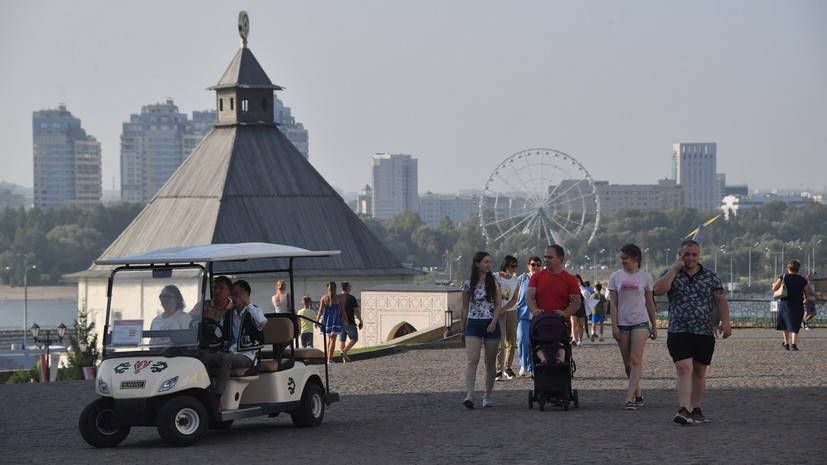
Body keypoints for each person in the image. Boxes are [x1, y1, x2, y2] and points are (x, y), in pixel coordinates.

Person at [653, 239, 731, 425]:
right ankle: (683, 409)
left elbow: (720, 300)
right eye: (686, 254)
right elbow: (657, 290)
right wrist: (674, 269)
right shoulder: (671, 274)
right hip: (679, 330)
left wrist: (726, 322)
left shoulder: (710, 276)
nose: (691, 258)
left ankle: (696, 409)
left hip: (704, 331)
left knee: (699, 371)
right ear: (680, 255)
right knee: (684, 368)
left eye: (694, 254)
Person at [608, 244, 657, 410]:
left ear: (635, 258)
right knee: (628, 364)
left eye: (625, 258)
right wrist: (614, 326)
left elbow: (650, 303)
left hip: (640, 322)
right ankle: (637, 393)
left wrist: (654, 326)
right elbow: (613, 304)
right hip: (622, 323)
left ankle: (629, 398)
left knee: (636, 359)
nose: (623, 261)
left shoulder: (646, 277)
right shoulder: (615, 277)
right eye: (621, 258)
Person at [200, 280, 267, 402]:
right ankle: (202, 392)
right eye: (232, 294)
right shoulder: (229, 315)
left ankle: (217, 397)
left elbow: (262, 322)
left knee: (226, 359)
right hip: (229, 353)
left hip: (248, 356)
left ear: (245, 294)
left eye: (236, 294)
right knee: (201, 358)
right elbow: (217, 336)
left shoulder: (255, 311)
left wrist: (248, 304)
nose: (232, 298)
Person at [460, 251, 503, 409]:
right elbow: (464, 308)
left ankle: (487, 395)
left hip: (491, 324)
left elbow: (498, 304)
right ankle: (470, 394)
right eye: (486, 262)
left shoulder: (496, 282)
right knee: (472, 359)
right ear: (477, 264)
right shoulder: (468, 284)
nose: (489, 265)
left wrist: (493, 321)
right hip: (474, 324)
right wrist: (462, 329)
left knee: (490, 362)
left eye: (490, 262)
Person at [526, 245, 581, 326]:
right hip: (540, 322)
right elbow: (529, 297)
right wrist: (534, 310)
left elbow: (576, 302)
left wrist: (565, 313)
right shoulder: (536, 277)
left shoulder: (570, 279)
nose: (546, 260)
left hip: (561, 324)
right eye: (545, 257)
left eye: (550, 257)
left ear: (560, 259)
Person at [772, 261, 812, 350]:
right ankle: (794, 344)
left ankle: (786, 343)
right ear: (798, 269)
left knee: (785, 323)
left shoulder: (783, 277)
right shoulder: (802, 279)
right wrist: (806, 300)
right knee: (795, 323)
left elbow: (774, 288)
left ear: (788, 268)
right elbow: (806, 292)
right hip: (798, 303)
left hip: (785, 303)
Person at [516, 256, 542, 377]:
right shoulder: (522, 279)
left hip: (538, 314)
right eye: (533, 264)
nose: (536, 267)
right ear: (528, 266)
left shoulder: (543, 278)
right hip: (524, 314)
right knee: (523, 339)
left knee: (534, 341)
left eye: (538, 264)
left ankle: (533, 366)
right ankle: (523, 364)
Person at [495, 255, 520, 380]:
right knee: (500, 341)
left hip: (511, 311)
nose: (514, 268)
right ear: (506, 265)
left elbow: (515, 298)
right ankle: (498, 370)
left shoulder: (515, 280)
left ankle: (508, 367)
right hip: (498, 312)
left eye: (516, 266)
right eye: (512, 266)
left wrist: (504, 309)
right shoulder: (496, 277)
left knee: (511, 340)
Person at [317, 281, 347, 363]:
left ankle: (328, 358)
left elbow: (320, 310)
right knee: (333, 339)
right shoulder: (338, 298)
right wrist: (345, 319)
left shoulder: (324, 298)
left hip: (326, 319)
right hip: (335, 319)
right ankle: (329, 359)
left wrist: (317, 320)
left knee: (330, 339)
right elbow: (343, 310)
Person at [338, 281, 363, 362]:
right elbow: (356, 311)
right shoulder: (351, 298)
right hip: (349, 321)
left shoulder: (337, 298)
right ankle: (344, 351)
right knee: (354, 338)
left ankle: (344, 359)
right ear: (348, 288)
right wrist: (360, 320)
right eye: (350, 287)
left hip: (339, 322)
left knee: (342, 340)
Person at [571, 274, 589, 346]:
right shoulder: (570, 286)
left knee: (580, 325)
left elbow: (587, 295)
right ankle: (574, 339)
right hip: (572, 305)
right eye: (575, 279)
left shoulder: (583, 288)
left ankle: (580, 340)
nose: (576, 280)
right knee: (574, 323)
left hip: (581, 305)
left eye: (577, 279)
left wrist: (580, 286)